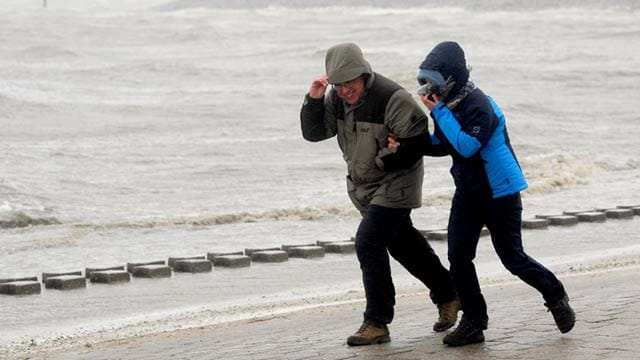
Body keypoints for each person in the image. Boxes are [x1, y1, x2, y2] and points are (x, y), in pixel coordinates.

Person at [387, 41, 576, 347]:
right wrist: (406, 143)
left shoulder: (478, 105)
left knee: (512, 258)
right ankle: (474, 322)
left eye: (430, 81)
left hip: (500, 192)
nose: (425, 88)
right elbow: (443, 144)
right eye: (422, 81)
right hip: (469, 194)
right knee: (458, 258)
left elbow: (466, 146)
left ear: (449, 77)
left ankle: (555, 294)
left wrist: (439, 113)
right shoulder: (446, 105)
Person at [300, 43, 460, 346]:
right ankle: (450, 293)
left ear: (363, 74)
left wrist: (384, 159)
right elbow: (315, 133)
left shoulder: (392, 97)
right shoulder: (336, 98)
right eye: (339, 85)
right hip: (366, 188)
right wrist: (314, 100)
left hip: (397, 182)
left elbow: (416, 145)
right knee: (404, 245)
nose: (345, 90)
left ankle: (377, 322)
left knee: (369, 241)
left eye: (350, 83)